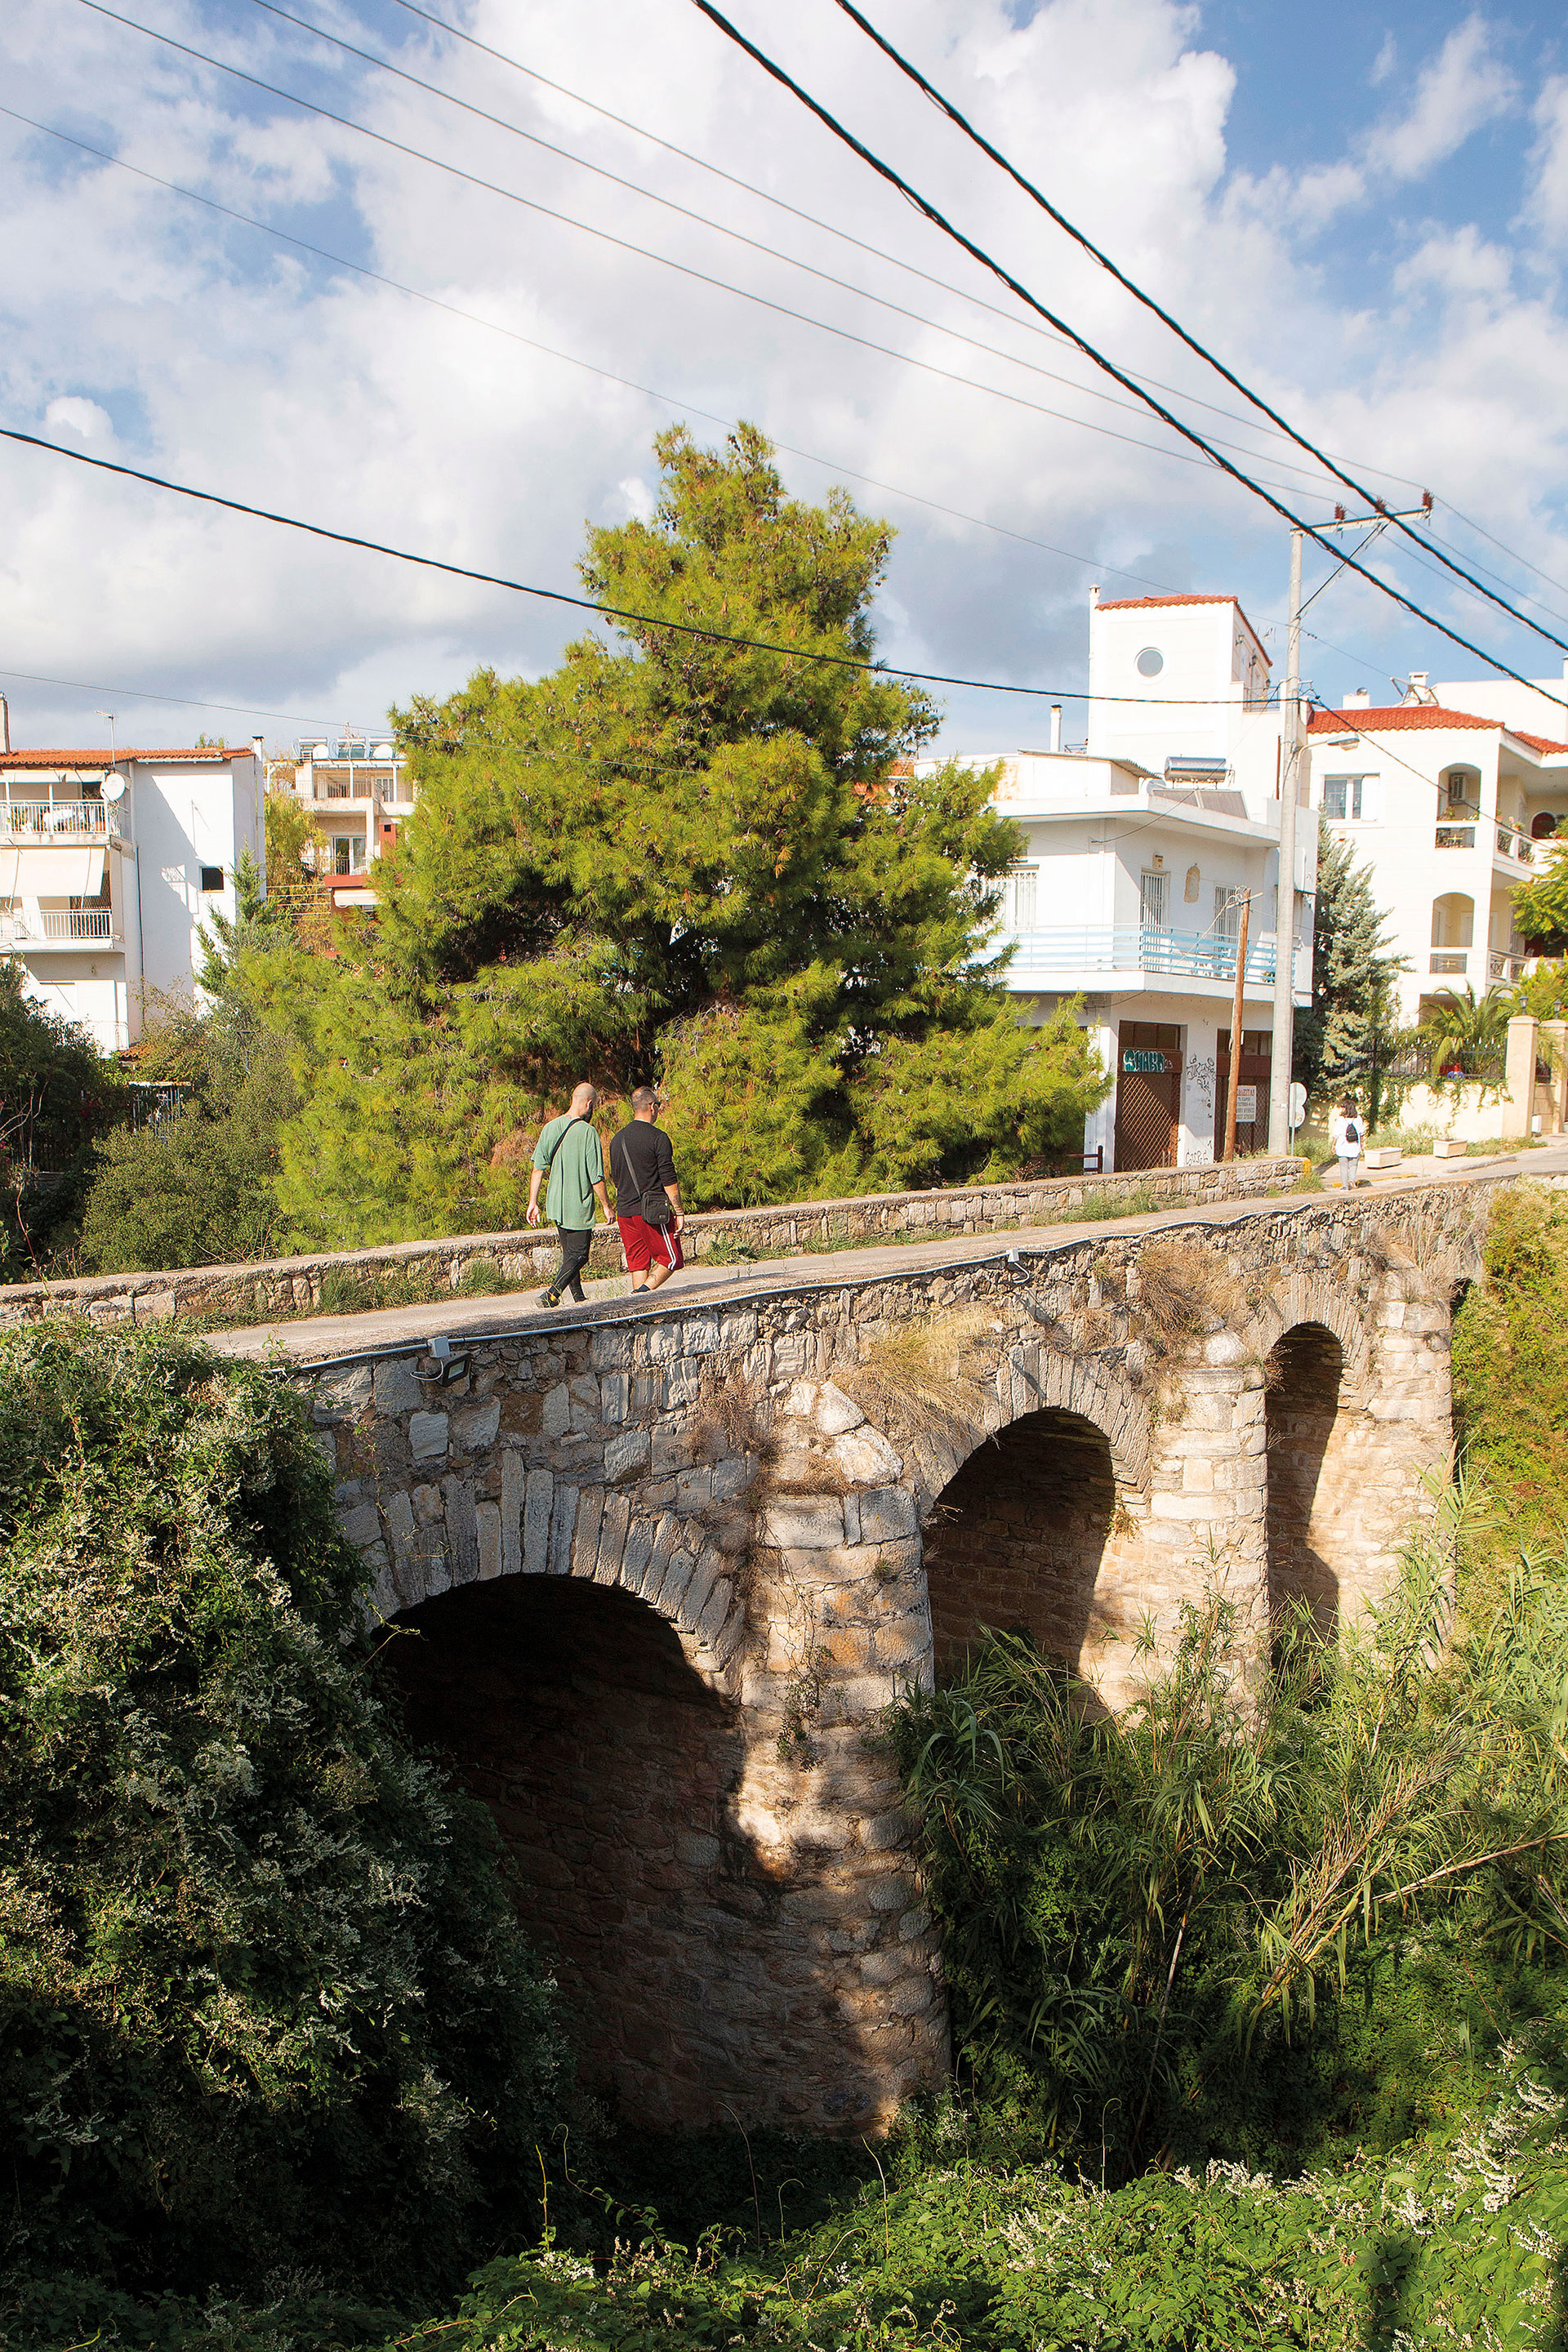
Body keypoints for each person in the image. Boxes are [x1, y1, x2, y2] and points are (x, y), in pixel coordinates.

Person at [528, 1082, 611, 1307]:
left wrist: (533, 1203)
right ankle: (552, 1294)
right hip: (578, 1204)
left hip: (556, 1203)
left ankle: (579, 1299)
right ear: (589, 1103)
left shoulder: (551, 1127)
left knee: (569, 1256)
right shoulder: (588, 1132)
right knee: (580, 1254)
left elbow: (538, 1169)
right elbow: (596, 1177)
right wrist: (606, 1206)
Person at [609, 1085, 686, 1292]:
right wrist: (678, 1211)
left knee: (638, 1263)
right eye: (659, 1106)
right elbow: (668, 1178)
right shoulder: (658, 1138)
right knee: (671, 1258)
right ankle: (641, 1293)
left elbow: (615, 1179)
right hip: (650, 1212)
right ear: (652, 1107)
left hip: (625, 1212)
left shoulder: (617, 1140)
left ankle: (638, 1310)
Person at [1329, 1098, 1365, 1189]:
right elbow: (1361, 1133)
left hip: (1342, 1146)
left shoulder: (1340, 1120)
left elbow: (1335, 1134)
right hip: (1354, 1146)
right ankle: (1352, 1181)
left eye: (1343, 1107)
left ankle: (1345, 1186)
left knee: (1343, 1167)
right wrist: (1361, 1145)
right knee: (1353, 1165)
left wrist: (1333, 1145)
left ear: (1346, 1109)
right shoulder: (1358, 1119)